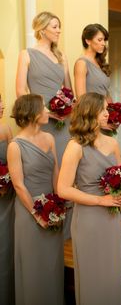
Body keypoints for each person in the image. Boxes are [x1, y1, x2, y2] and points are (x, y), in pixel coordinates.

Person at [57, 92, 121, 305]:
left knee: (112, 271)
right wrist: (100, 201)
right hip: (88, 220)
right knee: (92, 273)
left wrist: (119, 198)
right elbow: (63, 189)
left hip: (111, 219)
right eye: (102, 110)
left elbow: (119, 179)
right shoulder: (75, 146)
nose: (107, 114)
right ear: (89, 112)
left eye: (107, 109)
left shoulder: (113, 144)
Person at [15, 11, 73, 239]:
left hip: (63, 123)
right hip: (39, 122)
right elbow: (21, 91)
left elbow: (69, 91)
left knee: (64, 170)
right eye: (55, 26)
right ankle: (44, 215)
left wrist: (66, 108)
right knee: (43, 170)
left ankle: (64, 223)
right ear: (42, 29)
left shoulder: (62, 57)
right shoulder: (26, 54)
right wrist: (46, 112)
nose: (59, 30)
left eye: (59, 26)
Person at [7, 94, 64, 305]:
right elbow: (19, 185)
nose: (48, 111)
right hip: (28, 212)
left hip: (51, 208)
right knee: (33, 265)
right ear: (33, 113)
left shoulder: (50, 138)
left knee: (52, 263)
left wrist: (59, 204)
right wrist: (37, 214)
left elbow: (56, 172)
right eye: (44, 108)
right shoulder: (16, 146)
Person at [0, 94, 14, 305]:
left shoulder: (6, 128)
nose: (2, 105)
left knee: (6, 244)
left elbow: (13, 158)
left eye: (1, 101)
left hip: (7, 197)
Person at [74, 23, 111, 100]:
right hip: (91, 110)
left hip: (105, 110)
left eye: (104, 40)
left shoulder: (100, 63)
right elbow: (81, 98)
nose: (103, 43)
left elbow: (106, 93)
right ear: (88, 41)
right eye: (100, 40)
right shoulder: (82, 63)